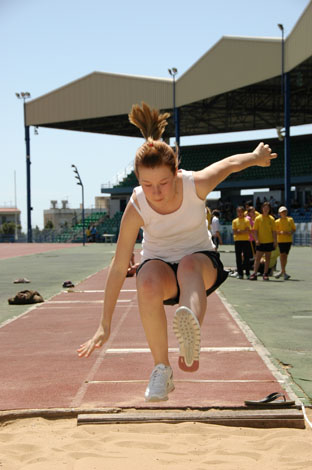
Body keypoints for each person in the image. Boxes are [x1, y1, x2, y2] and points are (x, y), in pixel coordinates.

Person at [77, 102, 277, 402]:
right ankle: (162, 370)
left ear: (177, 171)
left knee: (187, 265)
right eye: (146, 184)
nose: (155, 192)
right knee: (144, 280)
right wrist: (104, 325)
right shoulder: (136, 206)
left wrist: (256, 157)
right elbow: (119, 267)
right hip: (159, 268)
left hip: (199, 264)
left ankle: (190, 331)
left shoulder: (195, 184)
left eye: (163, 183)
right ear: (138, 181)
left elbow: (230, 163)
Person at [249, 202, 277, 281]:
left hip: (269, 241)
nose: (266, 209)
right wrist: (256, 239)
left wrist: (275, 241)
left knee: (267, 258)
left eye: (267, 208)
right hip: (260, 242)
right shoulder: (258, 218)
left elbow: (274, 231)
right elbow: (255, 230)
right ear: (262, 208)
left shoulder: (271, 219)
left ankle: (265, 274)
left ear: (269, 209)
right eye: (264, 208)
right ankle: (254, 273)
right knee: (257, 258)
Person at [274, 206, 296, 280]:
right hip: (281, 240)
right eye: (282, 212)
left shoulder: (290, 220)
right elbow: (275, 231)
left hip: (288, 240)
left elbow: (293, 229)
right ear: (279, 213)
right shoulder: (277, 221)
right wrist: (281, 232)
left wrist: (290, 232)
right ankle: (283, 271)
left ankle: (282, 271)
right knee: (282, 255)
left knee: (285, 256)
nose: (284, 213)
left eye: (285, 211)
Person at [232, 206, 252, 279]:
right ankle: (240, 273)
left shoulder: (246, 220)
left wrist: (240, 231)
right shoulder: (234, 221)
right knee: (238, 257)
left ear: (243, 212)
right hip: (237, 241)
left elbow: (248, 231)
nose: (240, 213)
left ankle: (247, 273)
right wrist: (243, 231)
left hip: (245, 240)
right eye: (238, 212)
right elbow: (235, 232)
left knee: (246, 257)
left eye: (241, 212)